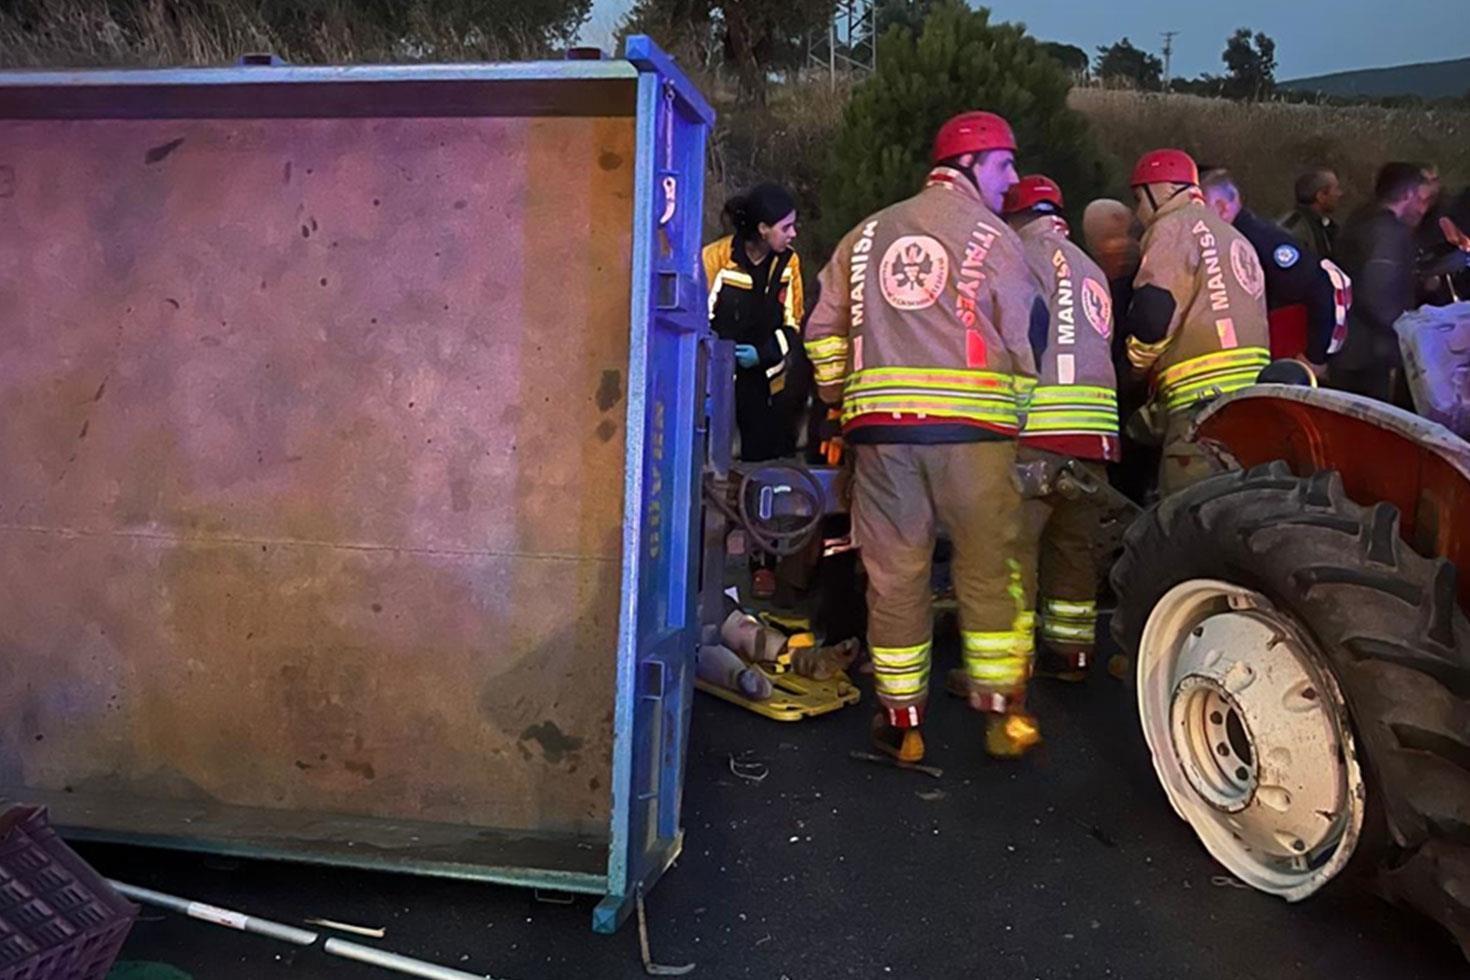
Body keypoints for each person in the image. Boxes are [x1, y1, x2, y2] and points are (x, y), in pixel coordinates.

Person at [804, 110, 1047, 761]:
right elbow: (1029, 332)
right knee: (990, 571)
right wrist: (1015, 414)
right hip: (975, 439)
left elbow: (821, 330)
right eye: (1004, 164)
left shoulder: (864, 235)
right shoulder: (996, 239)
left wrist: (838, 401)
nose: (1013, 179)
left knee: (893, 576)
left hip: (882, 440)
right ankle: (1002, 718)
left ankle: (901, 723)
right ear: (969, 166)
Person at [1001, 175, 1119, 680]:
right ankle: (1072, 654)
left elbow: (1019, 331)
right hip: (1094, 434)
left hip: (1039, 429)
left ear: (1017, 218)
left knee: (1014, 547)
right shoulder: (1091, 268)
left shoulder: (1019, 256)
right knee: (1074, 547)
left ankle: (1007, 666)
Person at [1121, 149, 1271, 495]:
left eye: (1137, 200)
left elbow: (1153, 315)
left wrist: (1135, 366)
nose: (1137, 213)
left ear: (1158, 191)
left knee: (1184, 516)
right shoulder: (1235, 237)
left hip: (1198, 412)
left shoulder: (1171, 228)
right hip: (1253, 403)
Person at [1201, 168, 1347, 374]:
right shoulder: (1230, 239)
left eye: (1199, 209)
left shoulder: (1261, 240)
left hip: (1280, 359)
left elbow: (1325, 285)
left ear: (1222, 207)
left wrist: (1315, 356)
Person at [703, 184, 804, 463]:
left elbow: (793, 322)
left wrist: (764, 354)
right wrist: (717, 357)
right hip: (716, 379)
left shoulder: (788, 262)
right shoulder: (717, 259)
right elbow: (700, 319)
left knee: (762, 464)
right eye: (786, 228)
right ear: (763, 228)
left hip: (766, 382)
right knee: (711, 462)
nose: (793, 234)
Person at [1330, 162, 1431, 404]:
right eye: (1421, 198)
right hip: (1372, 354)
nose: (1422, 207)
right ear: (1407, 194)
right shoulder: (1388, 232)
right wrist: (1409, 331)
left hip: (1347, 346)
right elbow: (1379, 293)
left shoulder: (1359, 219)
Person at [1281, 168, 1343, 260]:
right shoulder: (1293, 229)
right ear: (1321, 196)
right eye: (1336, 189)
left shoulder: (1328, 227)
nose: (1340, 194)